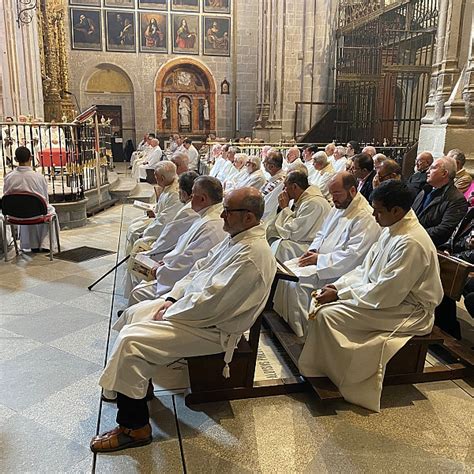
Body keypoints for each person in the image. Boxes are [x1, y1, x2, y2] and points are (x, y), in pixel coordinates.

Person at [91, 187, 276, 453]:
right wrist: (173, 299)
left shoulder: (251, 255)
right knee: (134, 313)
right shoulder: (237, 238)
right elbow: (200, 269)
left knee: (132, 342)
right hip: (194, 312)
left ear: (248, 217)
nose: (221, 215)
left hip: (214, 329)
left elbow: (214, 303)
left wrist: (172, 312)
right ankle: (139, 388)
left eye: (228, 211)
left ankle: (134, 427)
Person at [299, 180, 444, 412]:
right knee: (322, 304)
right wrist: (337, 287)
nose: (373, 215)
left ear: (396, 211)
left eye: (378, 210)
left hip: (409, 311)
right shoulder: (392, 230)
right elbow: (365, 270)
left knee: (329, 315)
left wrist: (340, 295)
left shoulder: (411, 242)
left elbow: (387, 292)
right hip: (387, 299)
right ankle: (324, 369)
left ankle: (344, 377)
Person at [274, 172, 380, 336]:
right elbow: (321, 233)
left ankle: (303, 332)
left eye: (337, 193)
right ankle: (287, 324)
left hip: (338, 271)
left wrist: (320, 259)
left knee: (298, 280)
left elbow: (354, 256)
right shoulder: (339, 207)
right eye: (331, 193)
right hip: (322, 261)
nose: (333, 198)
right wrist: (313, 250)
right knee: (287, 268)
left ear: (352, 190)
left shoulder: (365, 216)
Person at [127, 176, 226, 305]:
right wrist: (168, 260)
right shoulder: (207, 216)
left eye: (193, 195)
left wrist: (160, 270)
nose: (190, 199)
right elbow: (184, 246)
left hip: (185, 283)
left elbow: (190, 261)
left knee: (138, 292)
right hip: (175, 268)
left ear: (202, 199)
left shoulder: (210, 225)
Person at [123, 171, 199, 298]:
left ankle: (132, 298)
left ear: (185, 193)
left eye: (179, 190)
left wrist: (152, 249)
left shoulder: (188, 211)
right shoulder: (189, 207)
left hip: (169, 255)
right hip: (171, 250)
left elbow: (169, 236)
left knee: (137, 258)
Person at [267, 170, 331, 262]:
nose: (283, 189)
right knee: (271, 232)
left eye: (285, 186)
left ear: (294, 187)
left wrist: (285, 208)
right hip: (304, 239)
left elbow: (294, 232)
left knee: (283, 247)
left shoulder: (312, 203)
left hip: (313, 245)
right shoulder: (304, 199)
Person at [3, 146, 59, 252]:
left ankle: (31, 243)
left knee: (27, 207)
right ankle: (46, 243)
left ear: (15, 159)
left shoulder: (9, 177)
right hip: (36, 212)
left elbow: (6, 195)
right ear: (30, 158)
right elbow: (44, 198)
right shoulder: (38, 177)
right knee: (48, 210)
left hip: (14, 214)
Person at [125, 161, 182, 252]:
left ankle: (134, 261)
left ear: (162, 178)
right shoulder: (170, 185)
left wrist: (145, 233)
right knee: (134, 223)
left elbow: (165, 221)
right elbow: (164, 208)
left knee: (135, 232)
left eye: (156, 176)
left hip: (164, 228)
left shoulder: (174, 194)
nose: (155, 178)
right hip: (158, 218)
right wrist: (153, 209)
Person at [412, 156, 468, 247]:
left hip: (429, 246)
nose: (427, 171)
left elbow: (444, 229)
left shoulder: (457, 200)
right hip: (413, 241)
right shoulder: (425, 190)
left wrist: (415, 234)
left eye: (433, 168)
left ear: (444, 174)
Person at [261, 150, 287, 221]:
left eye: (265, 161)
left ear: (271, 166)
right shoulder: (274, 177)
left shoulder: (281, 182)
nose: (263, 163)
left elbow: (268, 206)